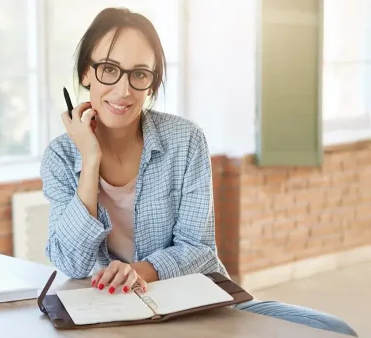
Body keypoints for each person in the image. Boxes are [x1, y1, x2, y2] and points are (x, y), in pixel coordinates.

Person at [39, 7, 358, 337]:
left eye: (139, 74)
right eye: (109, 69)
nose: (123, 90)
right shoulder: (60, 158)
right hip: (114, 315)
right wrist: (90, 160)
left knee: (336, 330)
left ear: (151, 84)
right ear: (85, 74)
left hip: (199, 302)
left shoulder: (185, 140)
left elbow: (198, 250)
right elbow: (72, 263)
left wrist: (137, 272)